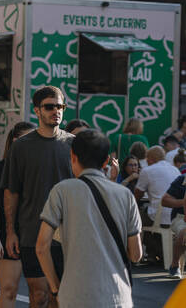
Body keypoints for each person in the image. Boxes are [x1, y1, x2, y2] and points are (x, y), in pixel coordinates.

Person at [36, 129, 142, 308]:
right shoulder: (125, 195)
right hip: (117, 296)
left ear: (73, 156)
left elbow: (41, 247)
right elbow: (136, 255)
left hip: (75, 295)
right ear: (106, 161)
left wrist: (55, 288)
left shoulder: (62, 191)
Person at [0, 86, 74, 308]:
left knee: (59, 298)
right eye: (49, 106)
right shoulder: (21, 147)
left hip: (68, 234)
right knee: (39, 296)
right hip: (32, 233)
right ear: (37, 111)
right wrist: (11, 231)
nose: (56, 111)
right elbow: (11, 191)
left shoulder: (73, 144)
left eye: (60, 106)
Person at [0, 121, 34, 308]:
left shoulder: (39, 168)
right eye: (22, 139)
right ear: (13, 141)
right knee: (9, 289)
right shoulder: (1, 170)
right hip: (7, 236)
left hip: (37, 237)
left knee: (39, 293)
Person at [161, 173, 186, 278]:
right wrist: (183, 202)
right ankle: (175, 265)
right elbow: (165, 200)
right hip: (180, 217)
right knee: (183, 232)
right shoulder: (182, 179)